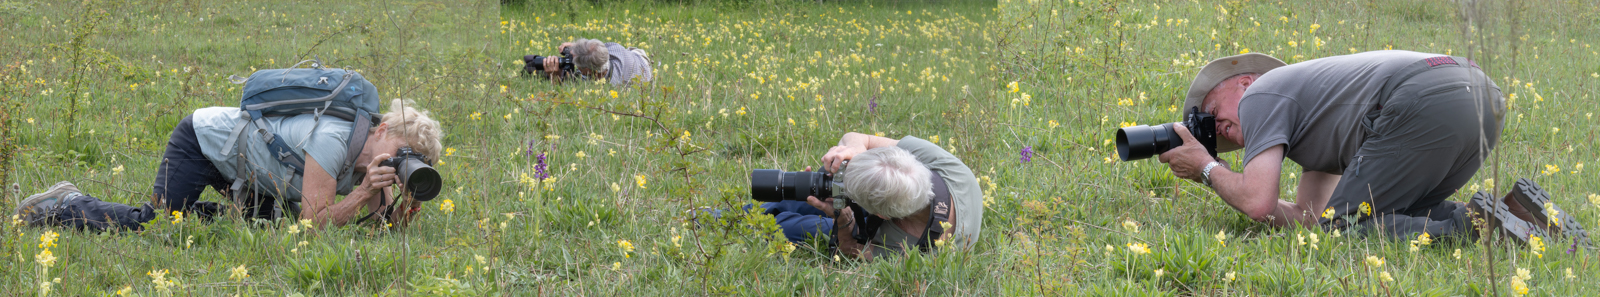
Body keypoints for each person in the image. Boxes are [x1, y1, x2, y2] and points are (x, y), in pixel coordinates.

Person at [1157, 50, 1584, 243]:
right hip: (1477, 92)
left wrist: (1206, 168)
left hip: (1421, 98)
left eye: (1213, 113)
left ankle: (1480, 231)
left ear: (1245, 82)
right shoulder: (1312, 119)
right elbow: (1310, 219)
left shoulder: (1261, 94)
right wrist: (1213, 167)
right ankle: (1518, 213)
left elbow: (1255, 201)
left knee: (1350, 229)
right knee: (1392, 218)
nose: (1221, 131)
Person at [14, 99, 444, 231]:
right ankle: (61, 206)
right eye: (399, 148)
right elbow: (315, 224)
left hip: (252, 168)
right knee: (154, 225)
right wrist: (368, 190)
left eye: (410, 159)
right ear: (381, 126)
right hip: (202, 143)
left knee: (263, 228)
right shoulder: (335, 140)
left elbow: (372, 232)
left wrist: (398, 203)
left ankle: (194, 215)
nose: (397, 160)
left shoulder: (370, 157)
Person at [761, 132, 982, 259]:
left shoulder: (911, 256)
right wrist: (851, 151)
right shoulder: (953, 171)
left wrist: (844, 220)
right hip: (895, 203)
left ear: (881, 215)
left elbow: (850, 249)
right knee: (807, 191)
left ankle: (742, 219)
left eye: (848, 191)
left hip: (869, 225)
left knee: (789, 227)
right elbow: (858, 137)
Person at [536, 38, 653, 87]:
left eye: (577, 64)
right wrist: (577, 48)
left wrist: (555, 77)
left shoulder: (611, 86)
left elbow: (567, 101)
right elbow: (593, 49)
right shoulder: (610, 49)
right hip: (631, 57)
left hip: (643, 66)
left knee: (571, 78)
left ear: (588, 71)